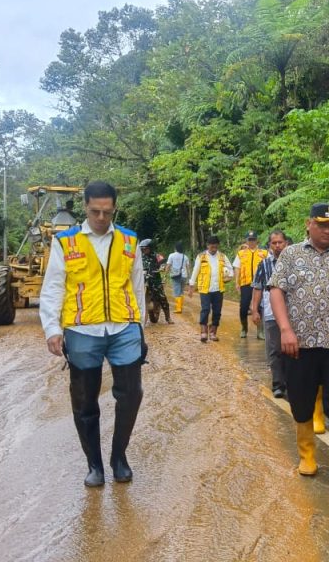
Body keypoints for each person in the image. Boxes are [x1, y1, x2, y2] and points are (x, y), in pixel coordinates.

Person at [39, 181, 146, 487]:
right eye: (95, 211)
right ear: (85, 207)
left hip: (124, 327)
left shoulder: (129, 240)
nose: (101, 217)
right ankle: (94, 465)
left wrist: (140, 326)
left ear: (114, 209)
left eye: (107, 212)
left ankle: (119, 457)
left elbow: (137, 285)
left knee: (131, 395)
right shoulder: (65, 242)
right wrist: (52, 329)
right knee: (85, 401)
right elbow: (53, 287)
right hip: (82, 329)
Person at [269, 202, 329, 491]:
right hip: (299, 345)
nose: (327, 231)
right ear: (309, 224)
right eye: (322, 225)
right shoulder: (291, 254)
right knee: (301, 401)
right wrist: (285, 330)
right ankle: (307, 457)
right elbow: (276, 292)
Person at [250, 230, 288, 398]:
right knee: (274, 349)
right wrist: (254, 310)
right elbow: (258, 288)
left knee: (292, 348)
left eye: (280, 242)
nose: (277, 245)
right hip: (271, 313)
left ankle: (292, 382)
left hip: (293, 313)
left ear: (286, 243)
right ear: (270, 245)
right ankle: (278, 384)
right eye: (274, 243)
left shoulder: (295, 263)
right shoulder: (264, 265)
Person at [187, 235, 233, 343]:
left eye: (216, 247)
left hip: (218, 288)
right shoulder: (201, 257)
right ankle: (203, 331)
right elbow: (195, 270)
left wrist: (229, 276)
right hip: (205, 289)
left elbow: (230, 269)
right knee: (205, 309)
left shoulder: (222, 256)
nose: (214, 249)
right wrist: (191, 285)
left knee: (217, 311)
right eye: (212, 247)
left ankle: (213, 332)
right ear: (208, 246)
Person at [233, 231, 268, 339]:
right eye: (249, 240)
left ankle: (260, 330)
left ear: (257, 240)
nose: (251, 242)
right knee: (243, 308)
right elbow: (237, 268)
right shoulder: (241, 253)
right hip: (246, 284)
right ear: (246, 241)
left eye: (253, 240)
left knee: (259, 307)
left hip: (260, 284)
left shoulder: (264, 253)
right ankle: (244, 328)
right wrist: (237, 282)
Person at [140, 239, 173, 324]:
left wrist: (161, 268)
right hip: (143, 280)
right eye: (142, 249)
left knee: (162, 297)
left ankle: (168, 317)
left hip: (155, 281)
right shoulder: (140, 257)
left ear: (151, 248)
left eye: (146, 248)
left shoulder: (157, 256)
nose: (144, 250)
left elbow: (163, 264)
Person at [165, 242, 191, 314]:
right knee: (181, 292)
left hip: (175, 276)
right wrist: (190, 278)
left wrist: (165, 274)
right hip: (184, 276)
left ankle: (178, 309)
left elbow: (168, 265)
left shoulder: (171, 255)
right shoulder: (185, 256)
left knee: (177, 292)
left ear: (175, 248)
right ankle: (180, 307)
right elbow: (188, 268)